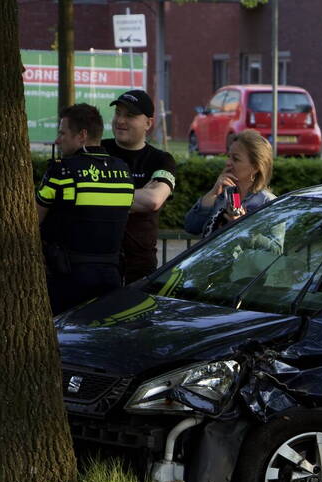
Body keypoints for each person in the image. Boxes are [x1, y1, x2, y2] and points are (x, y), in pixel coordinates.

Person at [36, 103, 134, 314]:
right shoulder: (123, 171)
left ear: (81, 135)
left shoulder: (61, 171)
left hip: (68, 279)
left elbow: (33, 219)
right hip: (112, 277)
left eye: (62, 133)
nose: (58, 140)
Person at [102, 89, 177, 284]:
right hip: (98, 265)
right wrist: (138, 196)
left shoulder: (162, 160)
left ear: (148, 123)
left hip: (140, 269)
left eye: (130, 115)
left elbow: (153, 200)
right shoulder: (98, 151)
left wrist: (99, 194)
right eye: (118, 113)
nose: (120, 121)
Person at [184, 129, 276, 237]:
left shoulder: (268, 203)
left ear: (255, 167)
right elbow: (191, 227)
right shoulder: (223, 195)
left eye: (235, 159)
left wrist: (243, 227)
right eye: (228, 156)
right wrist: (212, 194)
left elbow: (275, 249)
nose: (228, 163)